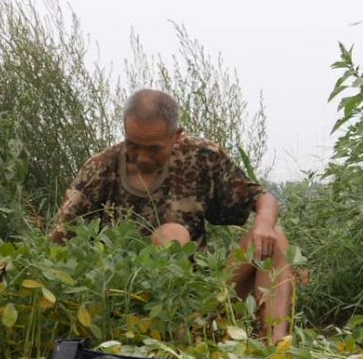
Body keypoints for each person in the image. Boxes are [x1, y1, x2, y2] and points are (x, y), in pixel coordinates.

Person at [50, 89, 293, 342]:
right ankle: (170, 336)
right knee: (171, 235)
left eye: (154, 149)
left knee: (274, 236)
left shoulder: (201, 157)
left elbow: (262, 197)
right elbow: (57, 247)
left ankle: (274, 352)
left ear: (177, 137)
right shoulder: (99, 169)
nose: (142, 157)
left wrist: (263, 224)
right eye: (133, 145)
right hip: (133, 309)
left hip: (203, 298)